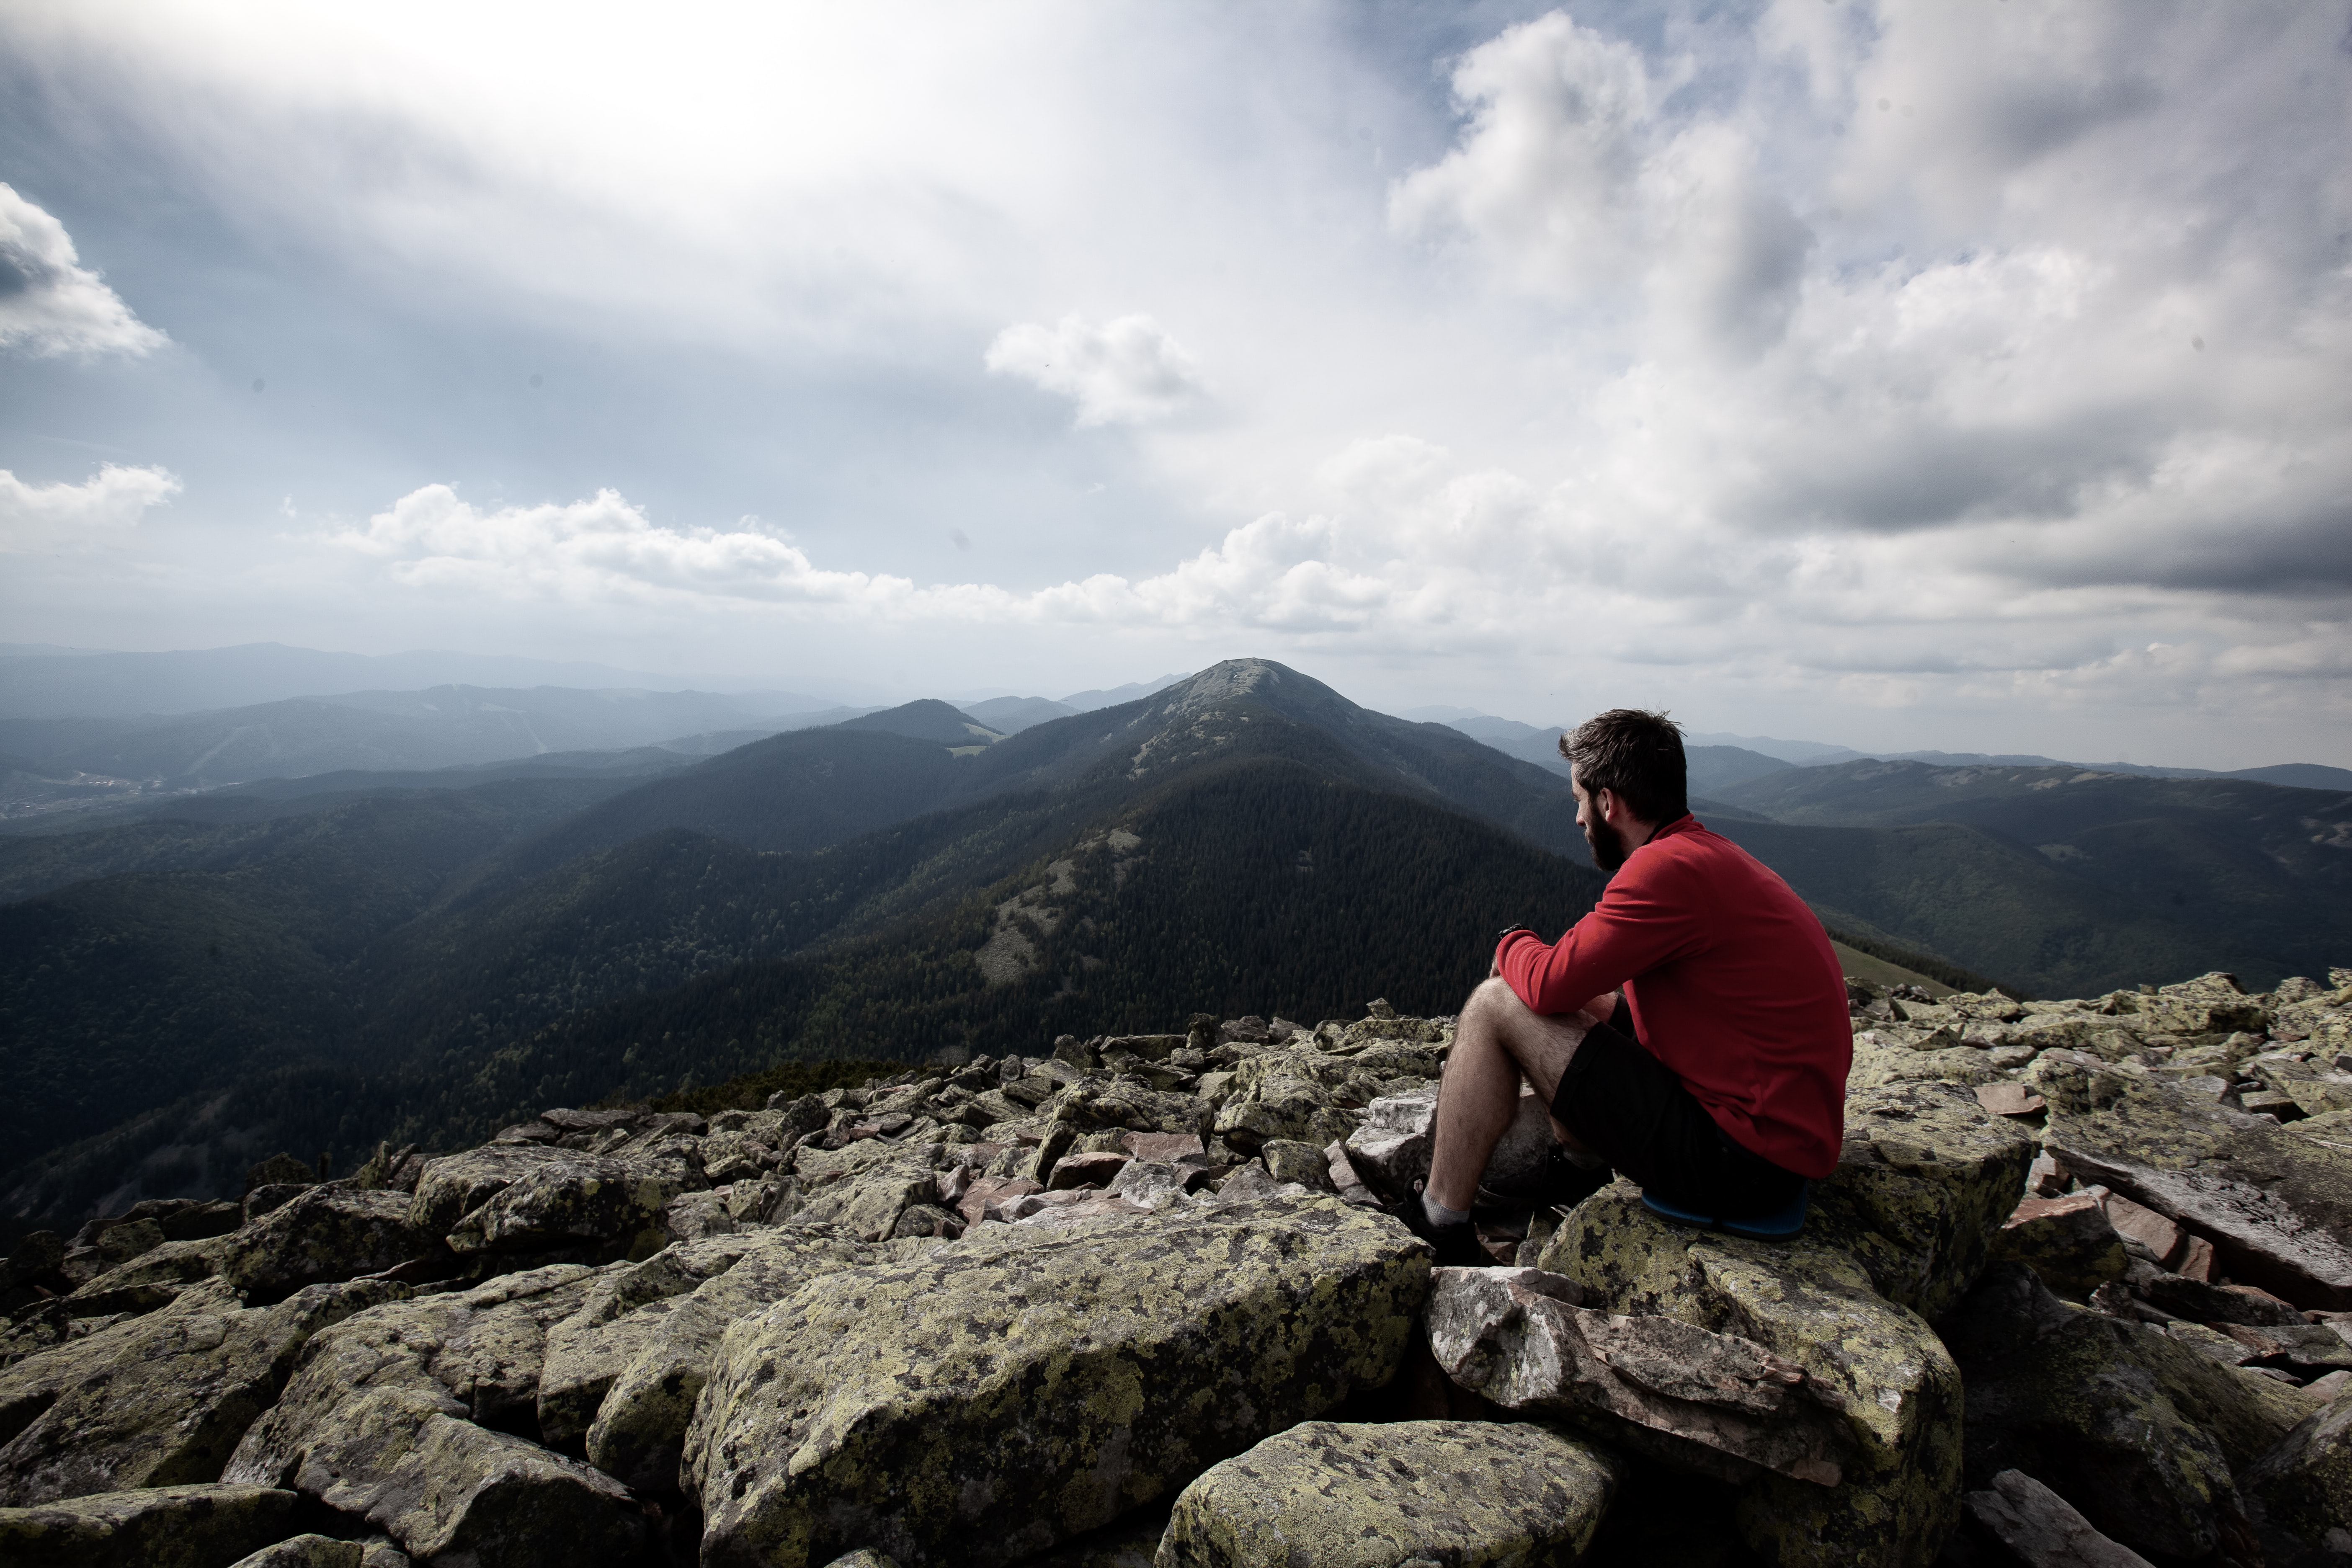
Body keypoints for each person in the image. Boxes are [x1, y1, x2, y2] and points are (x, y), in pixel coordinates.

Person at [1400, 708, 1851, 1267]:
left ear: (1609, 803)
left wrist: (1510, 942)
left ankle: (1439, 1223)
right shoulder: (1707, 857)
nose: (1578, 819)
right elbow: (1622, 1005)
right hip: (1777, 1145)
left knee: (1497, 1003)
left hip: (1741, 1164)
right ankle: (1578, 1170)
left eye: (1579, 801)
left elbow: (1543, 984)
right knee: (1577, 1002)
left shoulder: (1664, 872)